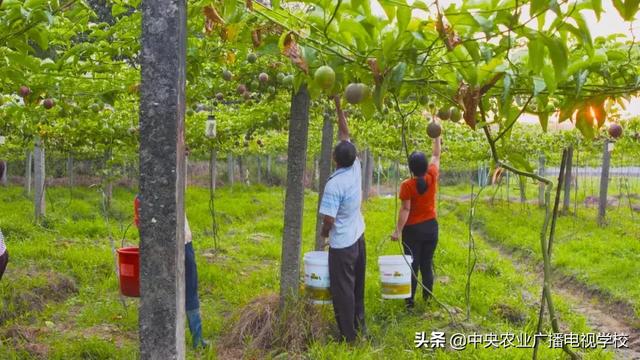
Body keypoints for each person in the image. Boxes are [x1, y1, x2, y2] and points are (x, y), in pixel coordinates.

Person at [319, 95, 366, 343]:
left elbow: (329, 219)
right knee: (357, 286)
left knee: (343, 290)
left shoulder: (334, 184)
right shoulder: (355, 167)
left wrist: (324, 234)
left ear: (335, 159)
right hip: (358, 237)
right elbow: (345, 132)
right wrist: (338, 105)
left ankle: (349, 337)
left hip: (343, 245)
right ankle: (361, 326)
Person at [134, 195, 208, 349]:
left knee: (167, 291)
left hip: (160, 248)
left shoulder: (142, 197)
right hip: (181, 244)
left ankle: (189, 339)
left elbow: (139, 223)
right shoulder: (171, 191)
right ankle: (196, 339)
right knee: (189, 289)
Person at [391, 118, 441, 309]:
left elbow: (406, 209)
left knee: (412, 265)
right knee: (427, 264)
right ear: (425, 165)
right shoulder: (432, 176)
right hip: (430, 227)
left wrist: (397, 231)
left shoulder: (407, 185)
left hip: (412, 231)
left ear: (411, 168)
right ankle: (427, 299)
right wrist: (437, 134)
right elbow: (436, 154)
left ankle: (409, 302)